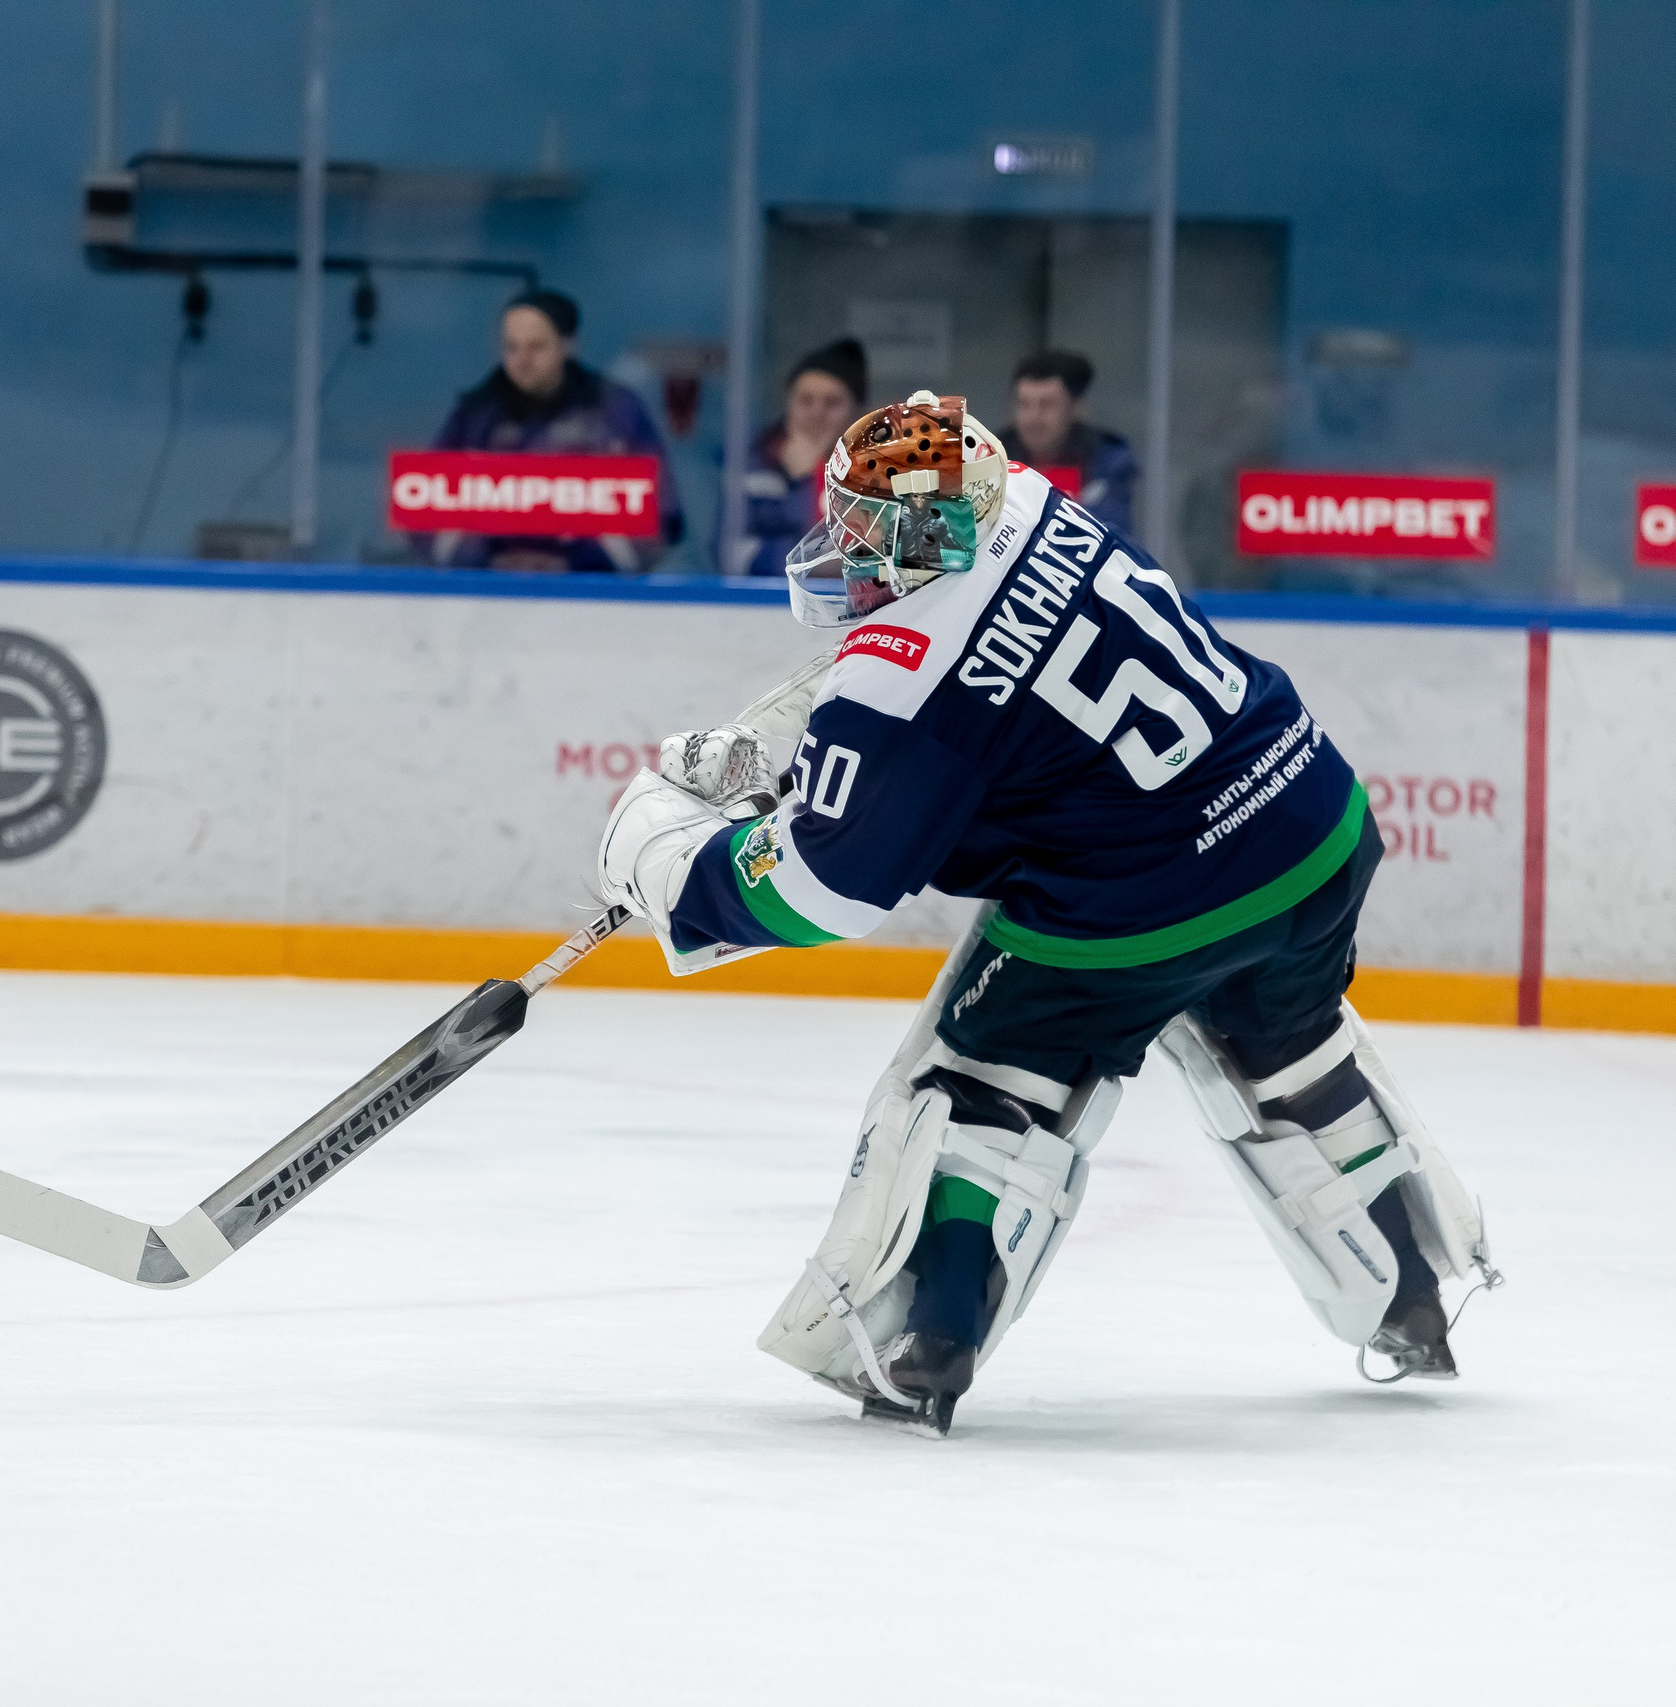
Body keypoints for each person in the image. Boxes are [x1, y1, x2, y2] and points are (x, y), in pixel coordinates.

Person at [595, 391, 1497, 1435]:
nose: (838, 546)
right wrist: (801, 747)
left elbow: (824, 889)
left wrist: (669, 867)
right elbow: (968, 681)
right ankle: (1411, 1297)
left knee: (982, 1076)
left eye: (859, 528)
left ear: (918, 532)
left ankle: (925, 1342)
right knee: (1287, 1050)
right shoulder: (1020, 497)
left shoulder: (899, 678)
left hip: (1150, 896)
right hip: (1308, 819)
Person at [423, 288, 683, 573]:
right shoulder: (475, 414)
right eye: (512, 347)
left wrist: (575, 563)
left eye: (536, 347)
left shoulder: (615, 412)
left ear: (568, 346)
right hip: (488, 597)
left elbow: (661, 515)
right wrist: (488, 561)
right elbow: (425, 507)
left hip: (594, 598)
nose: (522, 360)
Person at [718, 339, 867, 577]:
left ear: (856, 412)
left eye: (832, 403)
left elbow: (866, 560)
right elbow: (728, 555)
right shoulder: (754, 466)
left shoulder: (873, 475)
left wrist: (814, 476)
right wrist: (803, 485)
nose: (817, 413)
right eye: (805, 400)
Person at [999, 349, 1140, 538]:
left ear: (1077, 407)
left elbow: (1111, 537)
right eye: (1024, 404)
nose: (1033, 417)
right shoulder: (991, 459)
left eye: (1047, 404)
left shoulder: (1107, 463)